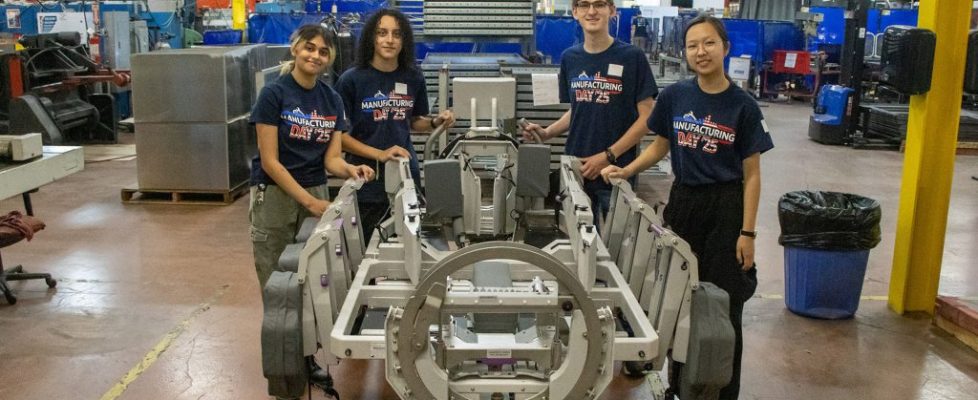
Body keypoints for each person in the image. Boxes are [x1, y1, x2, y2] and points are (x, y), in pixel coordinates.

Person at [600, 15, 773, 400]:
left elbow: (753, 174)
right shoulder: (676, 96)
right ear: (686, 52)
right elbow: (661, 146)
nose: (701, 51)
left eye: (709, 43)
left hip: (726, 208)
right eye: (693, 45)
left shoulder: (743, 107)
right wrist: (626, 169)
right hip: (684, 204)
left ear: (725, 48)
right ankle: (682, 386)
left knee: (723, 304)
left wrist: (748, 233)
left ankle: (723, 391)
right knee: (680, 300)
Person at [248, 23, 374, 392]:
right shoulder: (274, 95)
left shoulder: (331, 99)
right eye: (309, 48)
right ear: (295, 49)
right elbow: (270, 161)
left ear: (330, 57)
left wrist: (350, 168)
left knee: (309, 285)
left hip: (315, 191)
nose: (315, 56)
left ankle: (305, 359)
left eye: (323, 51)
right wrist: (307, 201)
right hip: (274, 196)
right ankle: (282, 373)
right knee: (277, 288)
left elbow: (332, 158)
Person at [522, 0, 657, 220]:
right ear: (575, 12)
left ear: (612, 10)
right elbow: (579, 107)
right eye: (584, 5)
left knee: (612, 246)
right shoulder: (570, 58)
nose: (592, 11)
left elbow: (647, 118)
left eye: (600, 4)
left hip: (613, 172)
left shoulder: (632, 57)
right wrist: (547, 133)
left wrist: (608, 156)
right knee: (576, 242)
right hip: (576, 168)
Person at [335, 8, 455, 243]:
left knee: (408, 246)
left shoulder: (413, 77)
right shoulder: (351, 80)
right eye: (382, 33)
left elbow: (414, 121)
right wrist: (380, 154)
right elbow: (339, 137)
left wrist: (434, 122)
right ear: (372, 37)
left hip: (405, 175)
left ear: (404, 40)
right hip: (366, 179)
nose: (389, 40)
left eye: (396, 34)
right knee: (368, 249)